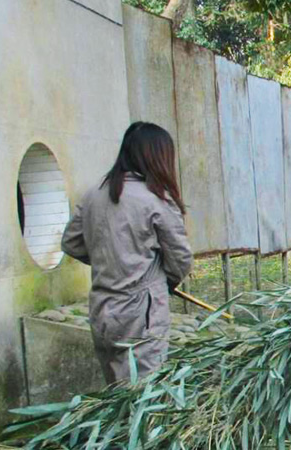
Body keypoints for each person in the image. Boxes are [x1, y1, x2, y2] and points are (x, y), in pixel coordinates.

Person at [61, 122, 193, 385]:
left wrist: (108, 260)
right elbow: (181, 260)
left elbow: (71, 243)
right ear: (157, 156)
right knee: (143, 396)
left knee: (116, 392)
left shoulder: (94, 194)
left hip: (103, 309)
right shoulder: (155, 200)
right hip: (141, 313)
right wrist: (159, 279)